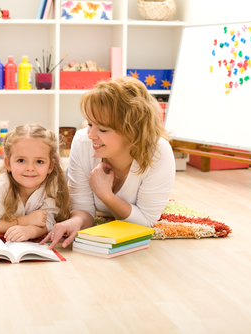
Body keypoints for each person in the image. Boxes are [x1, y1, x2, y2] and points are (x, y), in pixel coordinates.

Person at [41, 76, 175, 249]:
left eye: (103, 129)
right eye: (90, 124)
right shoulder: (83, 141)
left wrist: (106, 195)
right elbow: (83, 207)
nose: (90, 134)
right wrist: (76, 221)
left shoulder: (159, 153)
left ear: (132, 130)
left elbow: (146, 222)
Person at [0, 124, 71, 242]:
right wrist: (25, 221)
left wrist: (30, 231)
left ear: (50, 166)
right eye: (21, 160)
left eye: (39, 161)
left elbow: (49, 220)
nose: (30, 168)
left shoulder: (51, 186)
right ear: (8, 163)